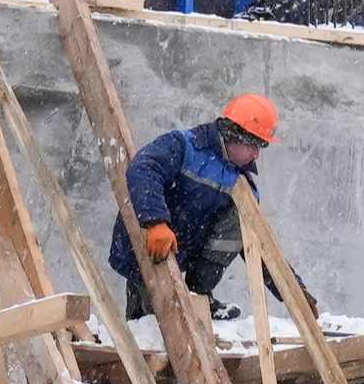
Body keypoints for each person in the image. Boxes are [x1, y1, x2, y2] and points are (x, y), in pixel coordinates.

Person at [107, 92, 276, 325]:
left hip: (185, 249)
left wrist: (295, 292)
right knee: (155, 319)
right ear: (235, 135)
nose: (256, 155)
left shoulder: (242, 186)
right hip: (149, 242)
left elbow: (259, 247)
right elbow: (144, 168)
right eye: (253, 145)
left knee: (243, 219)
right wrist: (156, 223)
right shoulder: (185, 146)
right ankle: (144, 312)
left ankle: (198, 296)